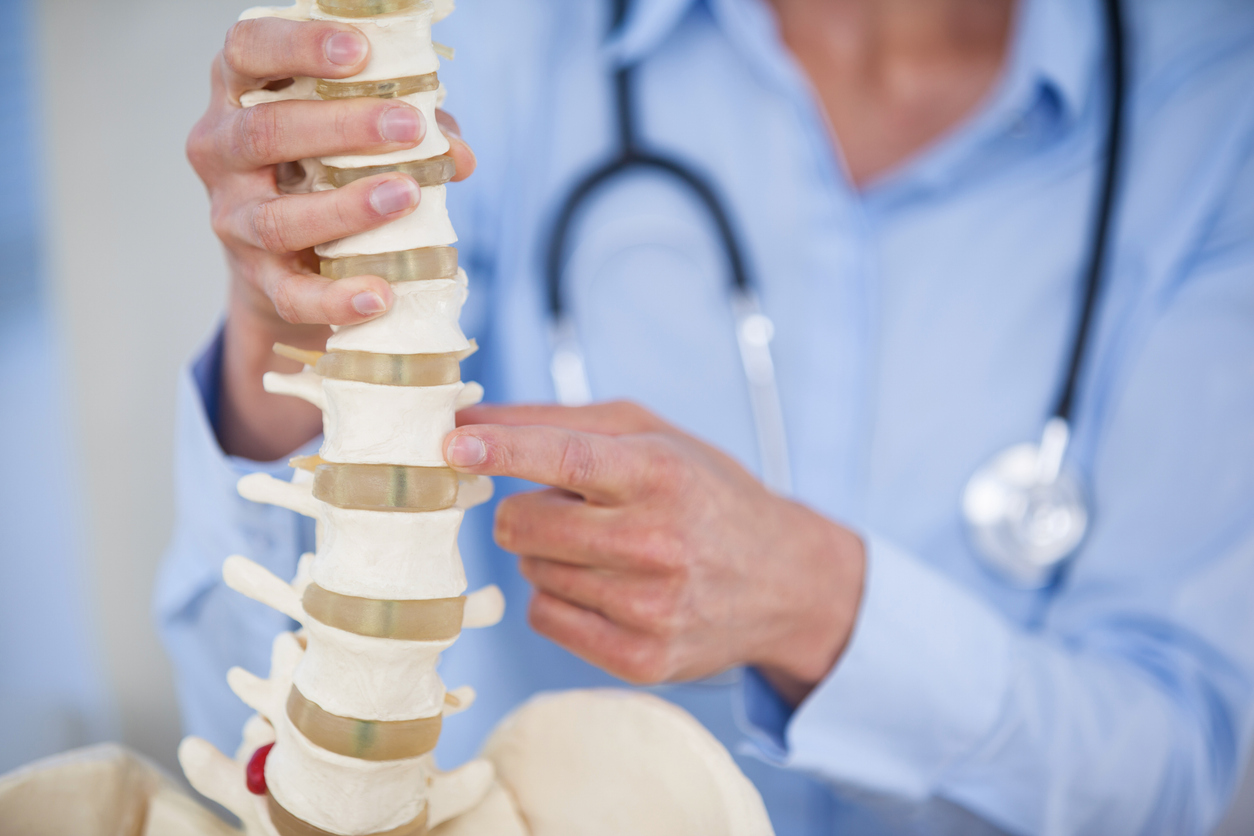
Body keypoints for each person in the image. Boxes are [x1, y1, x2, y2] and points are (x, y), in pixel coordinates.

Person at [155, 0, 1254, 833]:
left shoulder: (1215, 117)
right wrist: (285, 324)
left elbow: (1171, 768)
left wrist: (816, 600)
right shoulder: (496, 43)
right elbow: (259, 726)